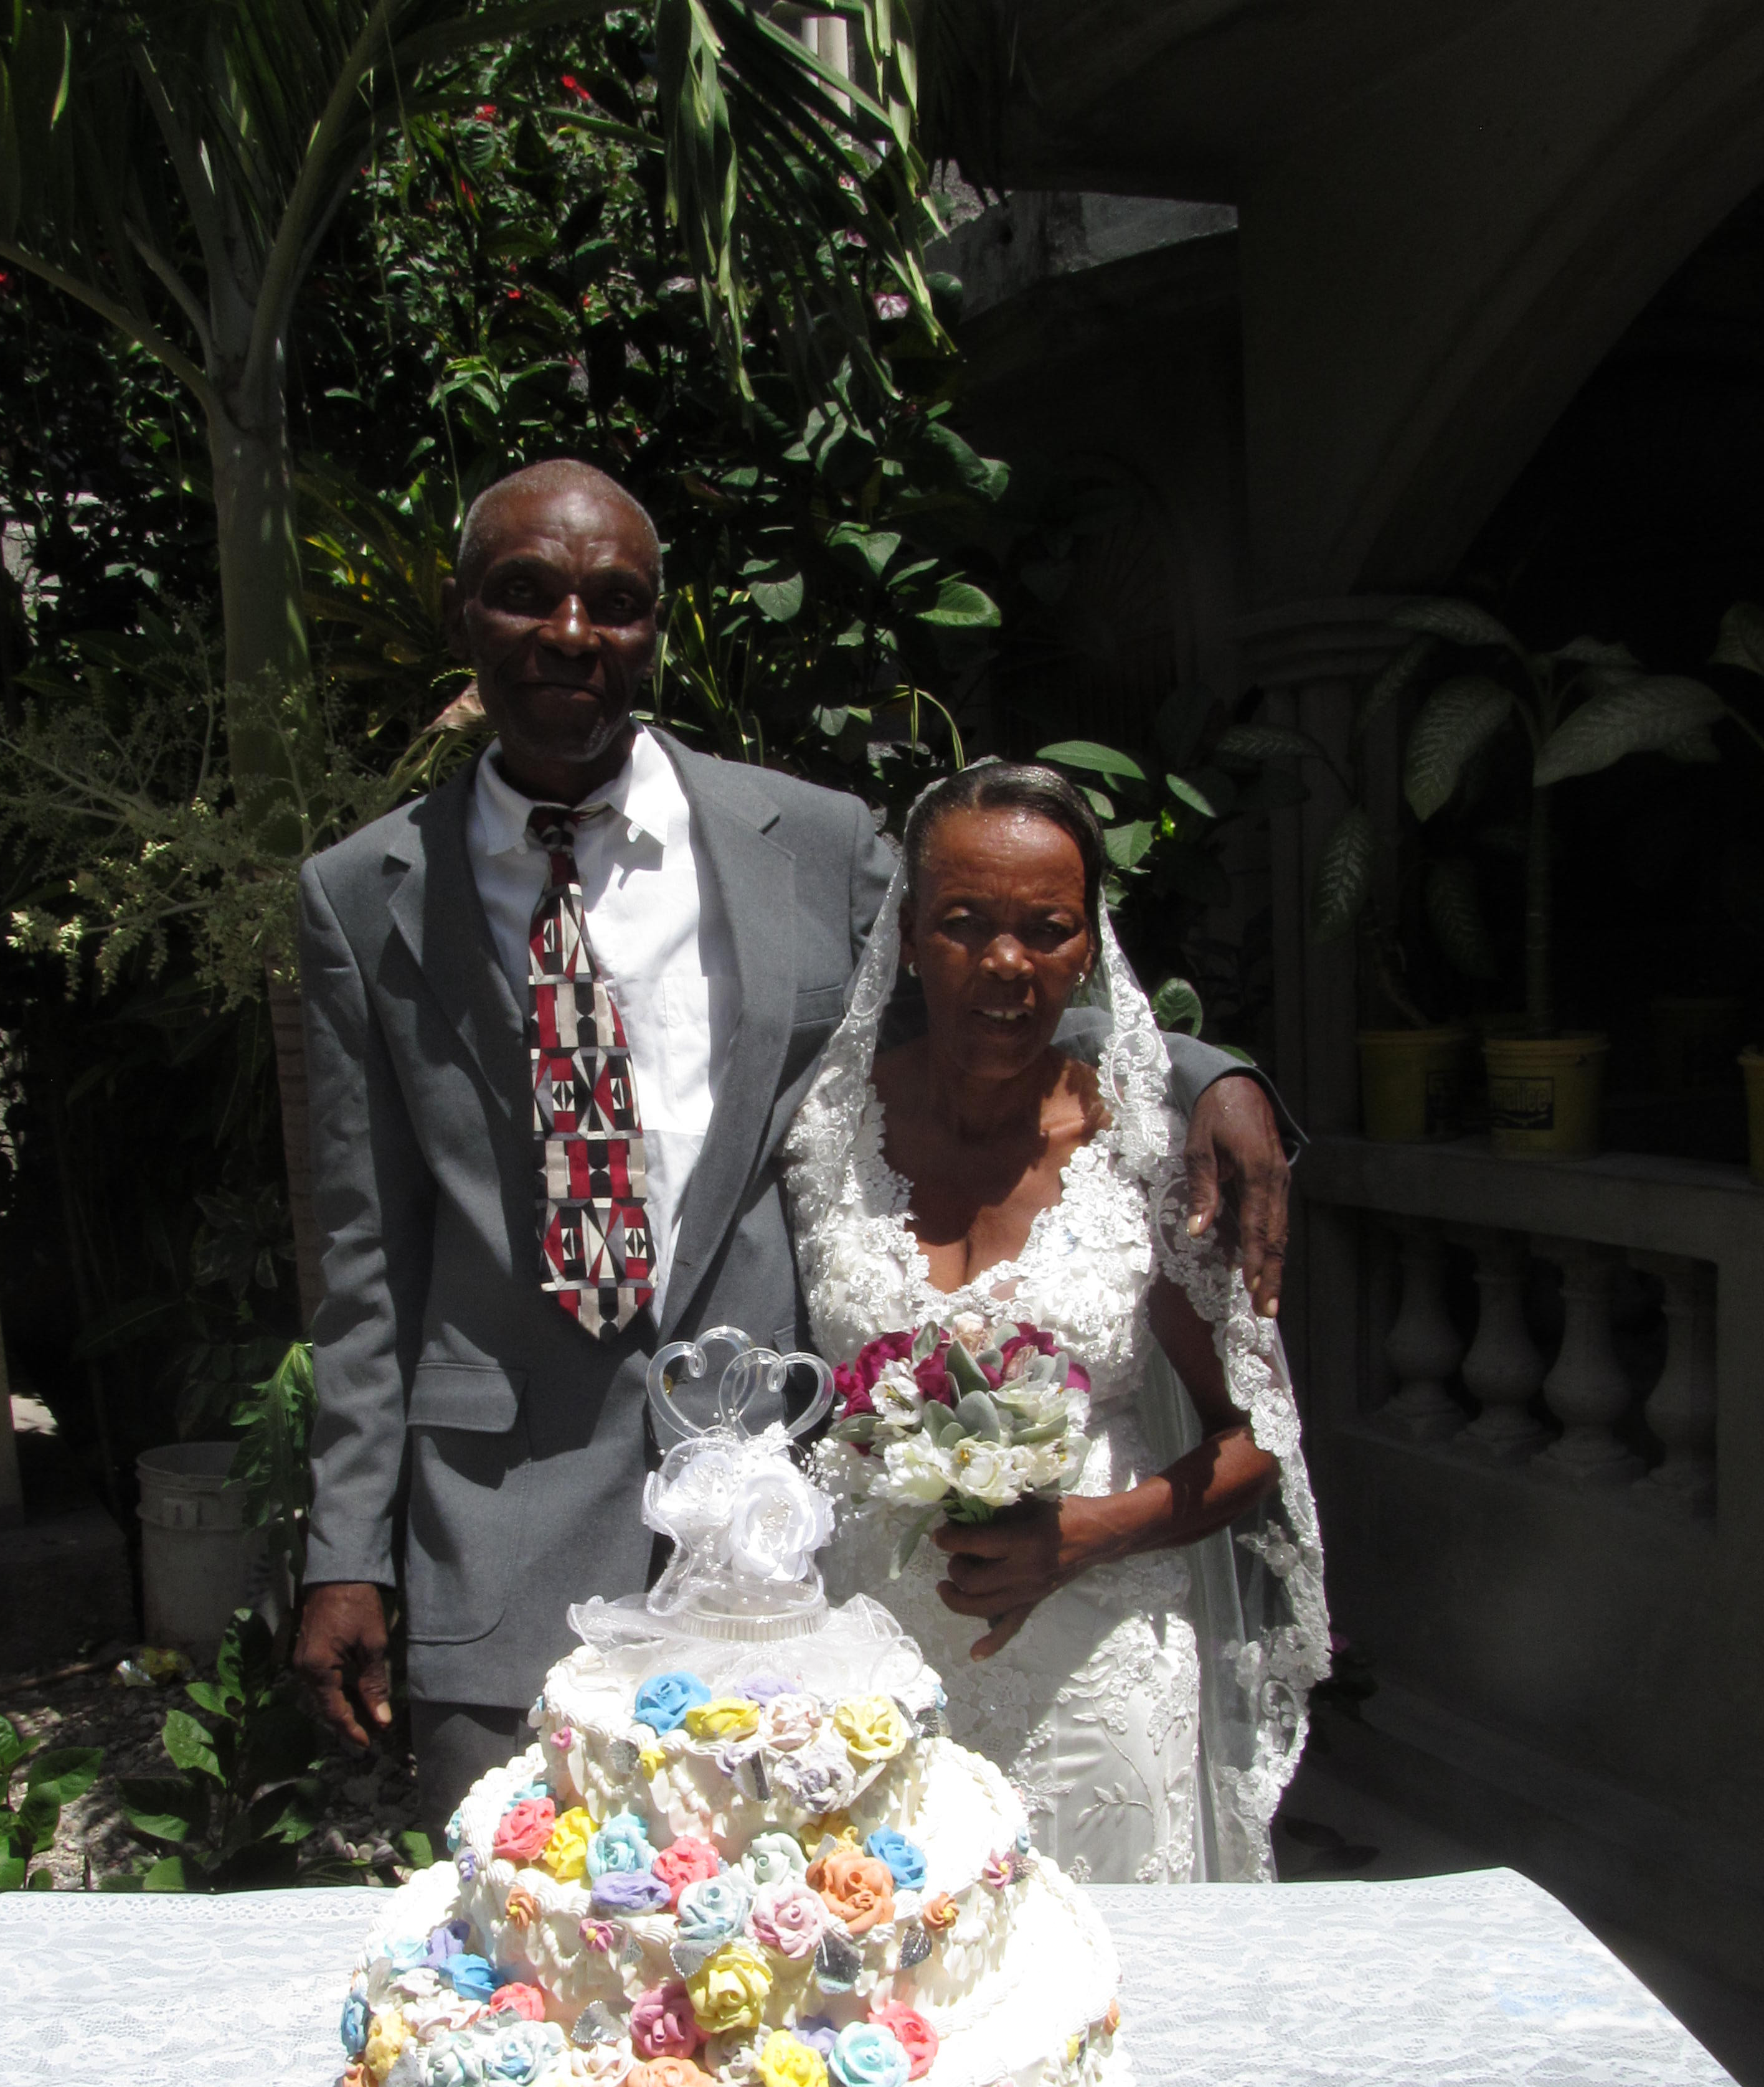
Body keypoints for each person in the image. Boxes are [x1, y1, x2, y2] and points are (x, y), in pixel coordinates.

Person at [291, 457, 1300, 1817]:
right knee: (535, 1944)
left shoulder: (807, 845)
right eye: (527, 596)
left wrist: (1208, 1072)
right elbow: (365, 1254)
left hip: (790, 1530)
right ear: (465, 614)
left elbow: (991, 981)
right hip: (503, 1522)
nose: (571, 635)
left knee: (787, 1936)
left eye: (616, 602)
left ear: (655, 626)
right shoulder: (364, 898)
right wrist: (345, 1547)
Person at [781, 760, 1328, 1883]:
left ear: (1091, 949)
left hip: (1100, 1672)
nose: (1005, 968)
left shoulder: (1148, 1155)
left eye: (1047, 930)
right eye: (965, 925)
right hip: (868, 1664)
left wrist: (1092, 1530)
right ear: (907, 935)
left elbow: (1260, 1438)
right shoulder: (825, 1134)